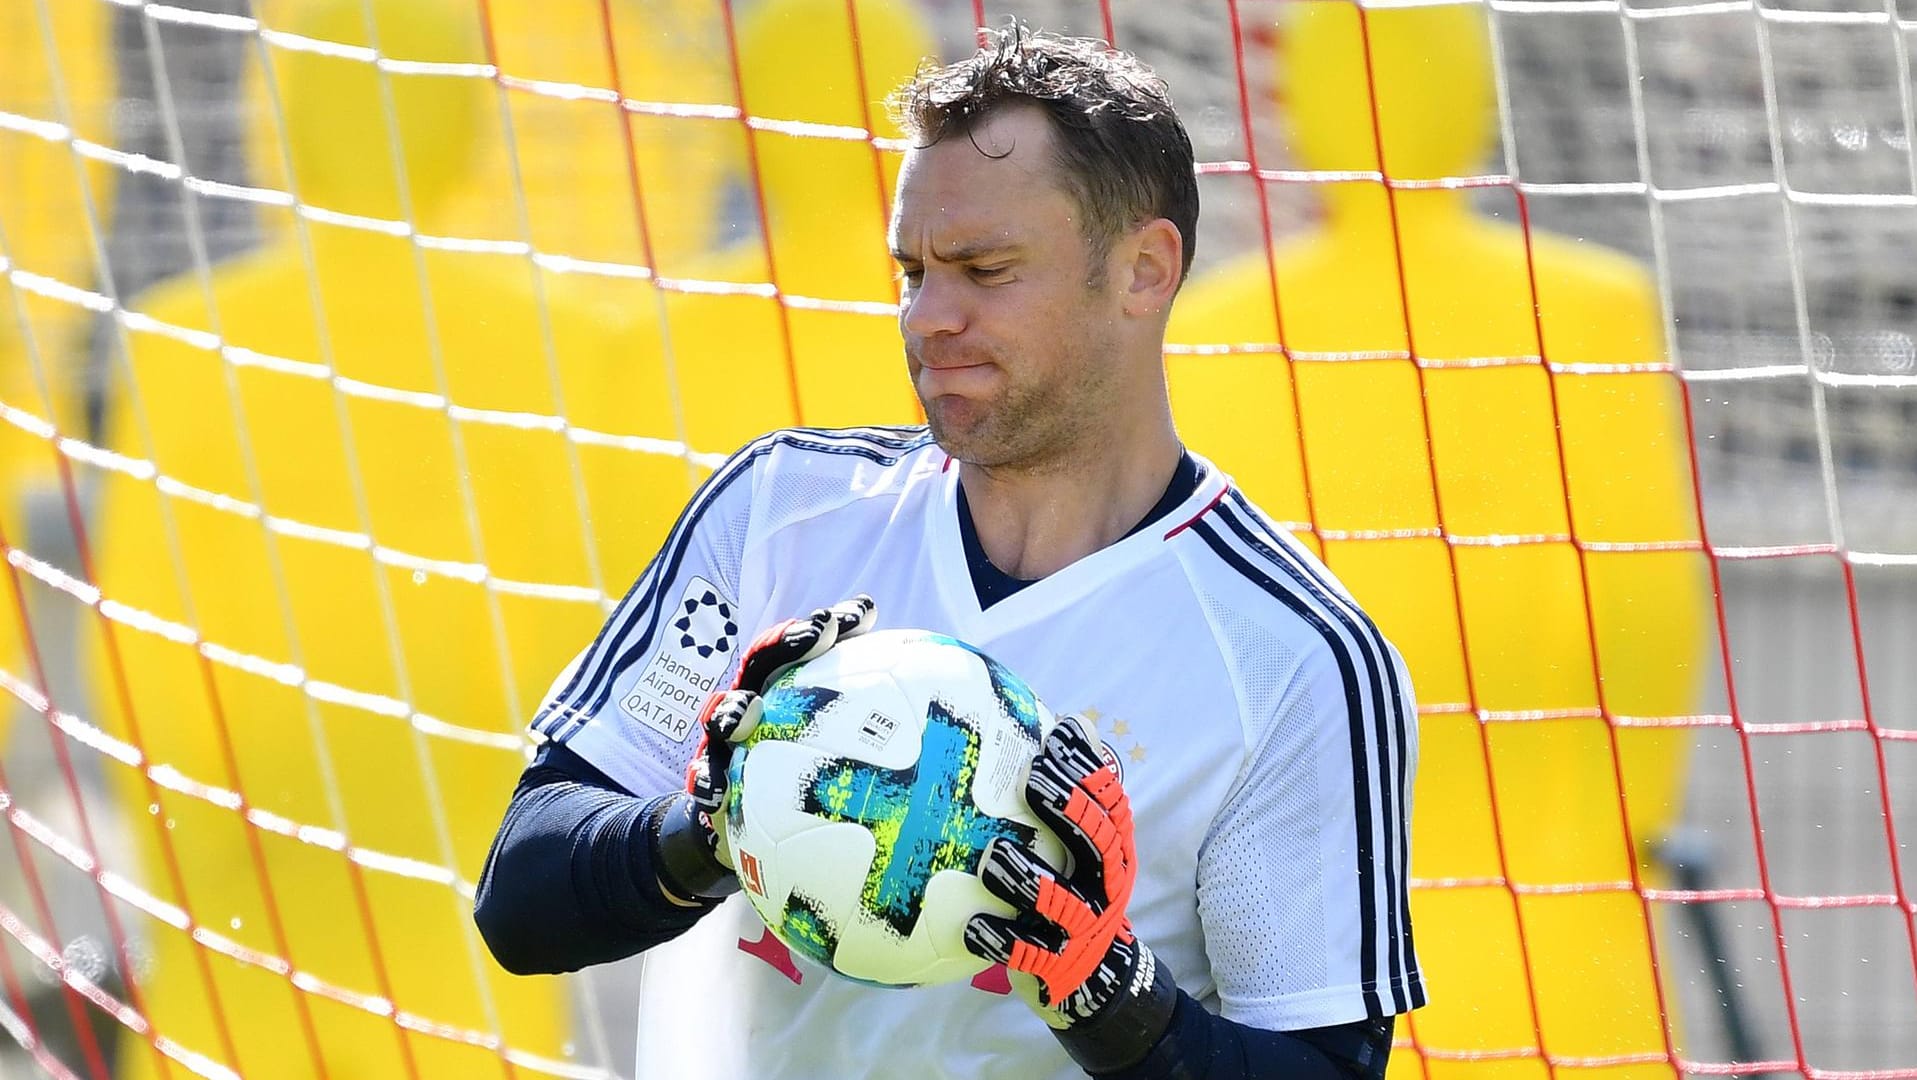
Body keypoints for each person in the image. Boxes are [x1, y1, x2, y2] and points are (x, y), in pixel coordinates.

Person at [475, 25, 1422, 1080]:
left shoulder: (1291, 656)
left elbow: (1326, 1068)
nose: (930, 317)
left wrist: (1117, 1003)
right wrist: (708, 822)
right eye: (913, 271)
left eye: (986, 269)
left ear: (1145, 270)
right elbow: (519, 900)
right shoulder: (779, 515)